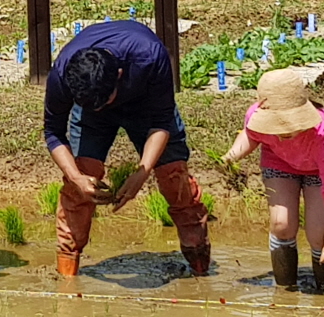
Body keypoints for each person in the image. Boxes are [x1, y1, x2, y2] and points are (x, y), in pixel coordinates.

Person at [42, 19, 211, 279]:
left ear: (119, 75)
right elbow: (53, 132)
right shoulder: (64, 74)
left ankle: (200, 269)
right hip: (92, 118)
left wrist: (142, 173)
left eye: (103, 102)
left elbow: (162, 121)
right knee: (80, 183)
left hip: (145, 107)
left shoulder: (149, 56)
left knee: (174, 179)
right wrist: (76, 177)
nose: (100, 108)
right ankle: (67, 279)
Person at [217, 68, 324, 294]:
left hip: (318, 171)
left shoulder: (322, 132)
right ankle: (285, 290)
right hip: (279, 162)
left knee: (319, 233)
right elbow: (251, 135)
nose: (281, 132)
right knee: (281, 224)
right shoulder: (255, 116)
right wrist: (230, 157)